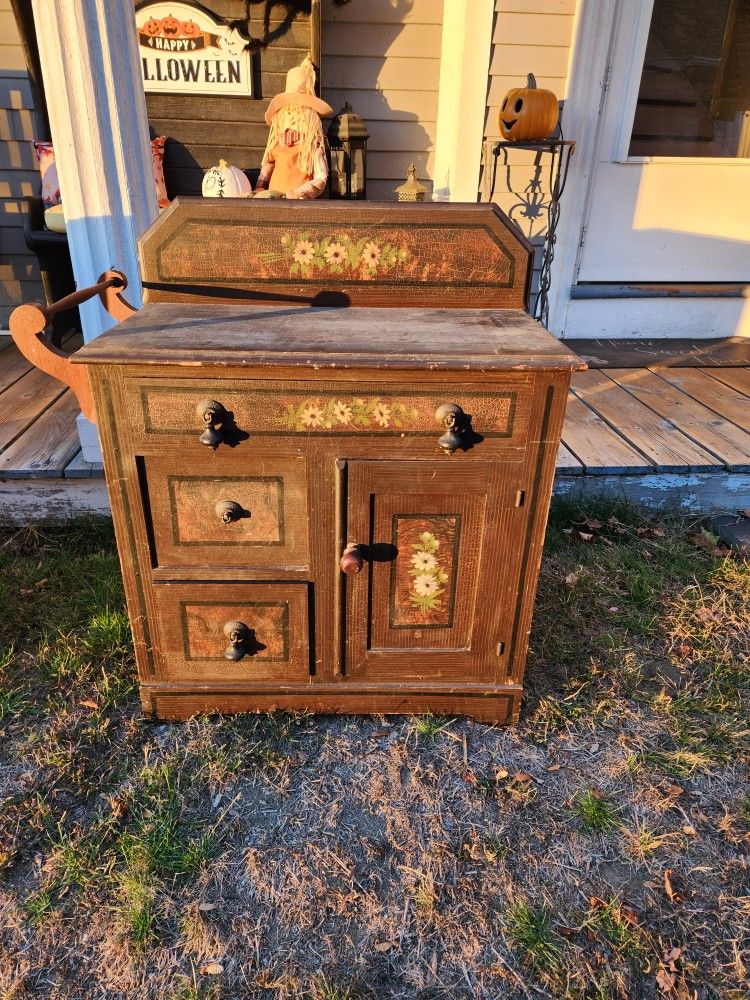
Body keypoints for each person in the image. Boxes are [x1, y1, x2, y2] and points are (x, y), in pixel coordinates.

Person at [253, 54, 333, 200]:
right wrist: (260, 187)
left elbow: (321, 178)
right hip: (273, 202)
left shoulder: (311, 146)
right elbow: (268, 165)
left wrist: (296, 194)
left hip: (299, 207)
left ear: (309, 119)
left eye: (297, 115)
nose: (292, 120)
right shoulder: (277, 143)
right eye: (288, 114)